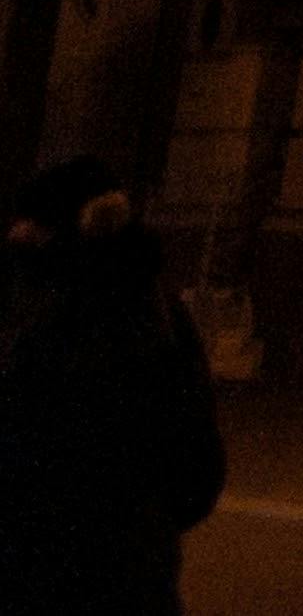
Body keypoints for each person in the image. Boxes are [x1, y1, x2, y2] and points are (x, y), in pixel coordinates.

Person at [2, 156, 229, 611]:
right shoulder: (161, 317)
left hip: (40, 572)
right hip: (137, 570)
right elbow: (197, 465)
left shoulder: (42, 325)